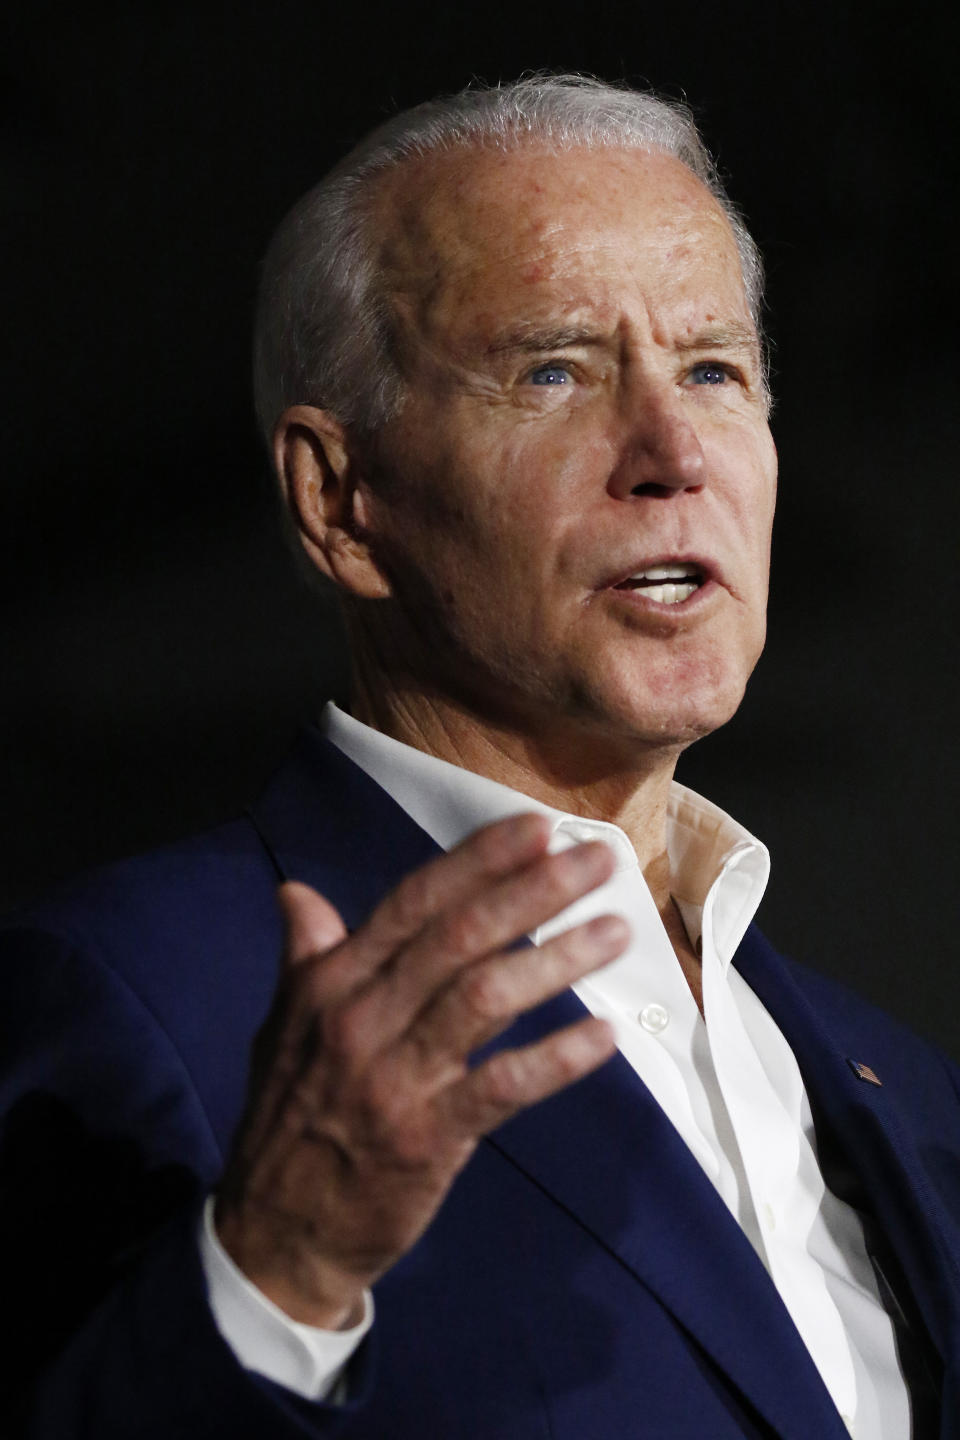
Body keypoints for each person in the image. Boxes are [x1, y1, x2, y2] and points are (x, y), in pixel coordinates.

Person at [1, 74, 957, 1439]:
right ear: (342, 503)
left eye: (713, 369)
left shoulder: (904, 1093)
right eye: (555, 371)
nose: (674, 451)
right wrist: (273, 1282)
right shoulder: (140, 995)